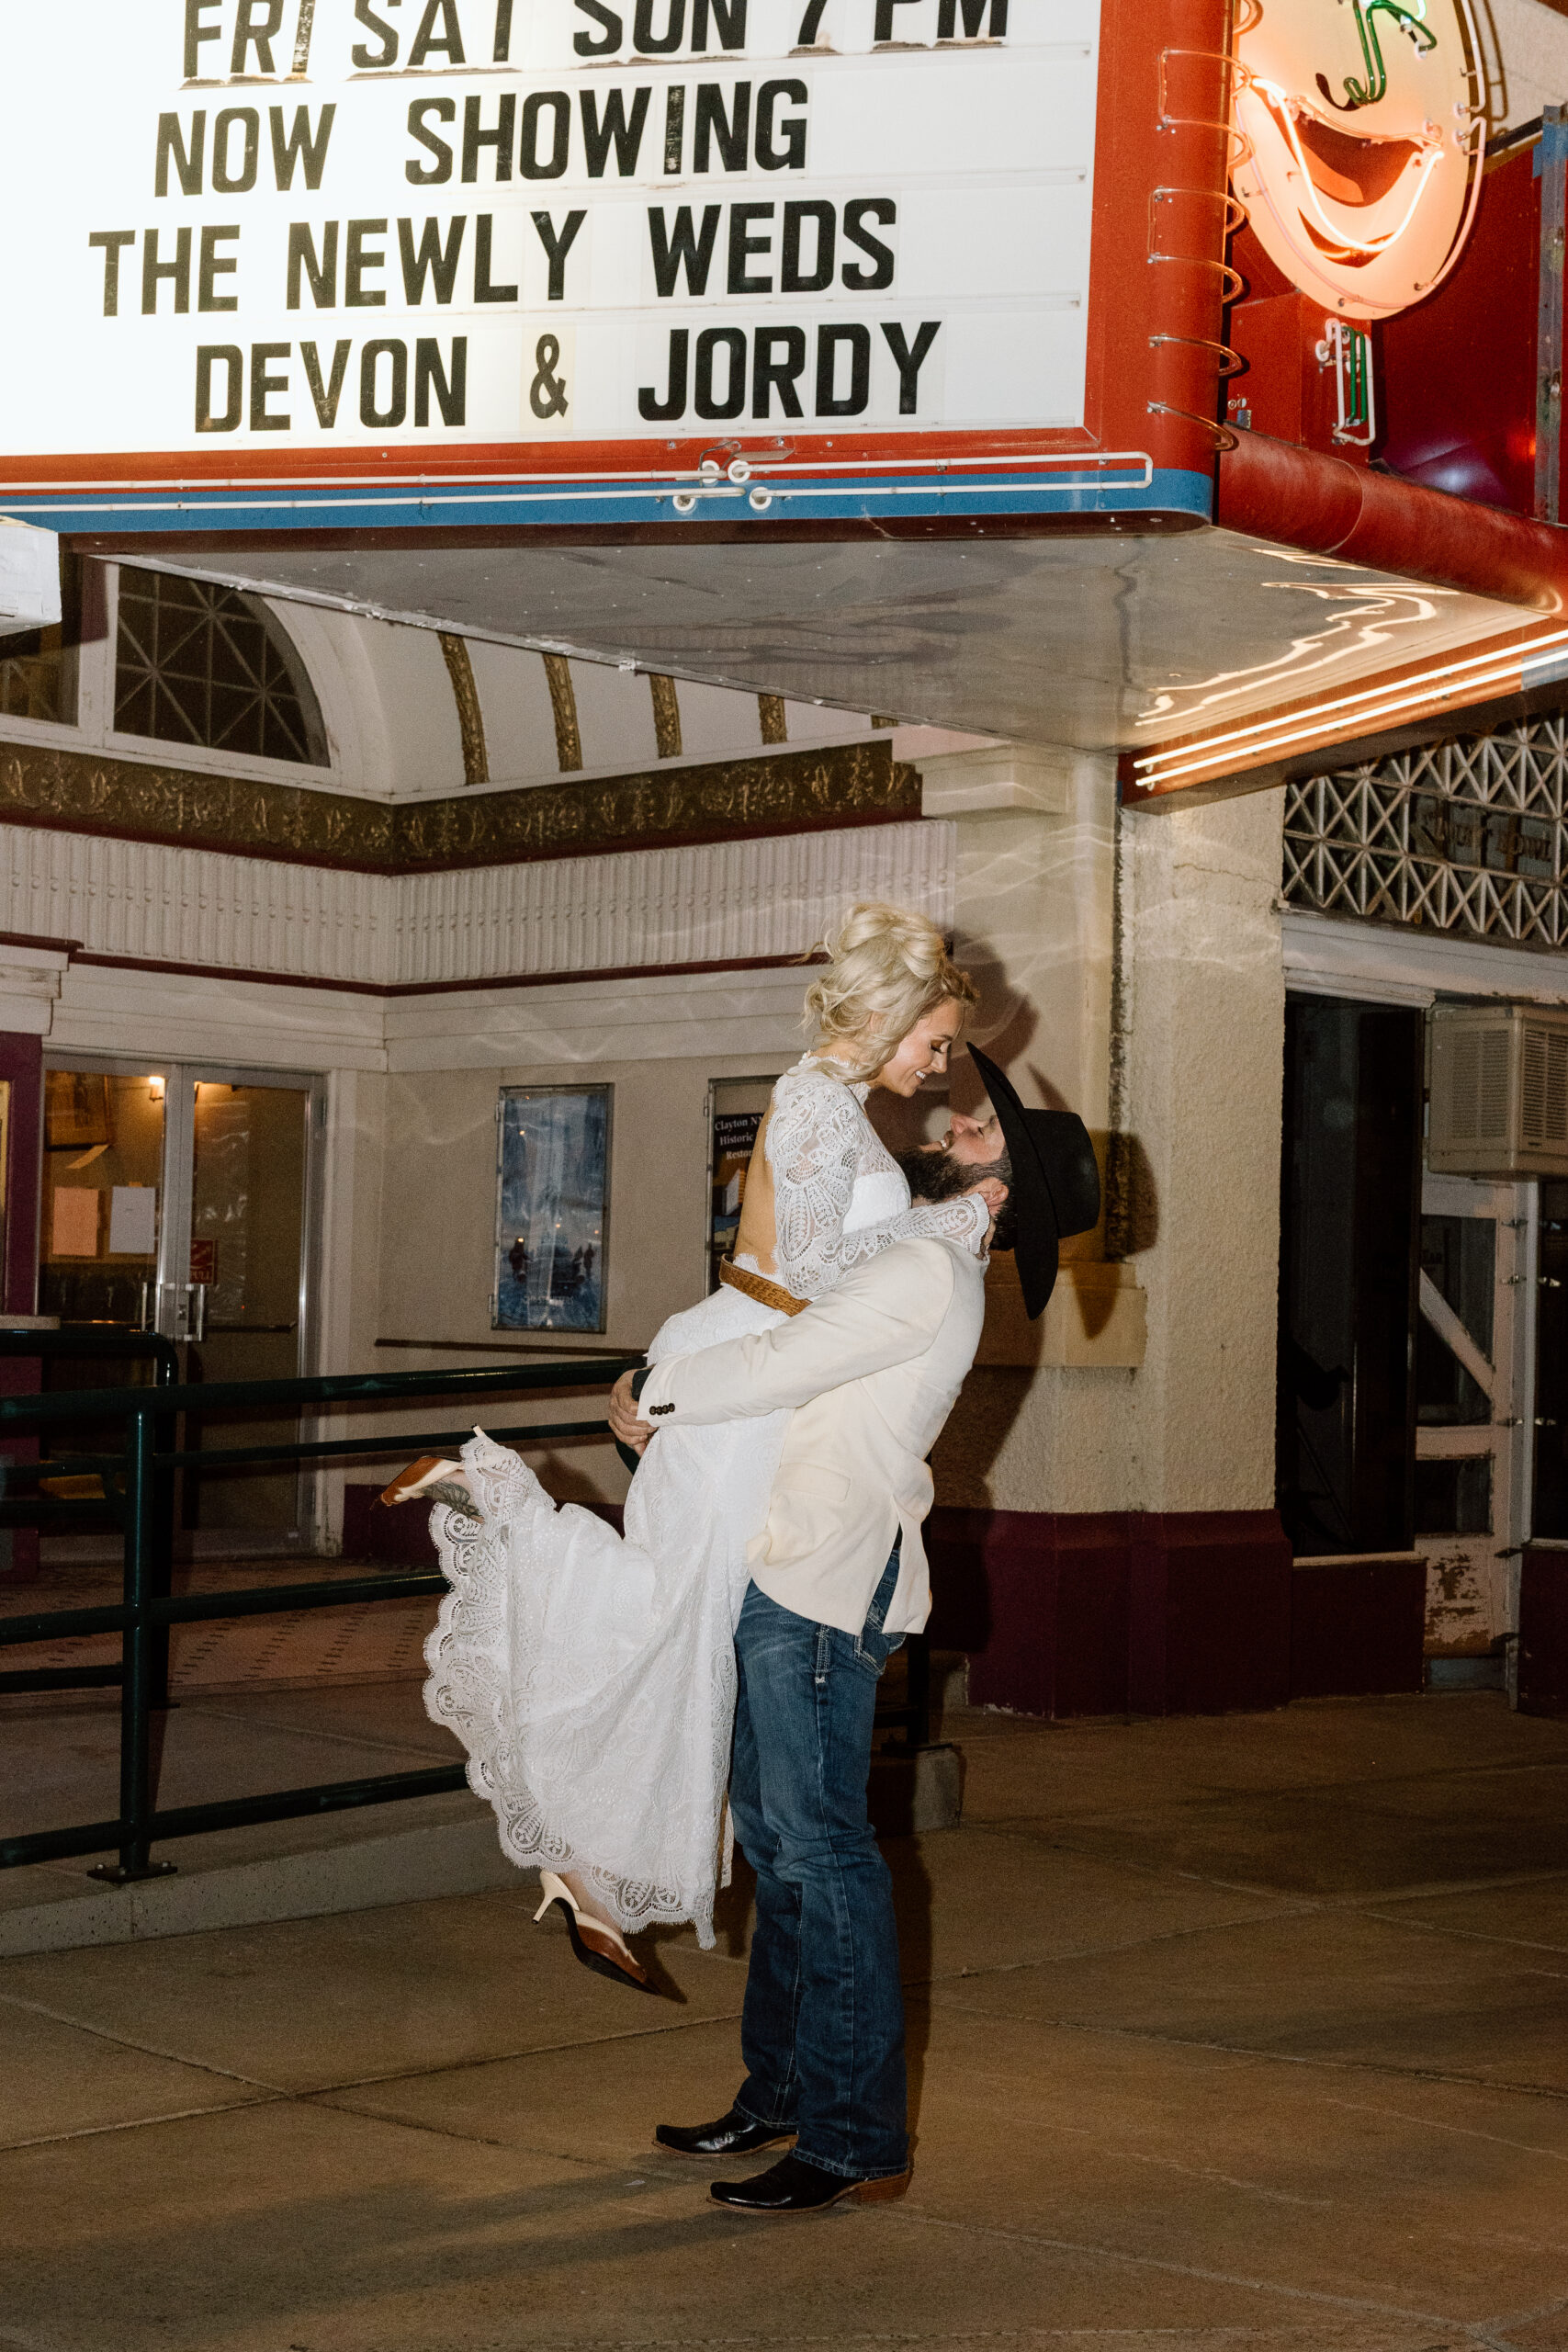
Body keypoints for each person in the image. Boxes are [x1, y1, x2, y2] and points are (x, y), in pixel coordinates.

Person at [412, 905, 1006, 1984]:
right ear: (887, 1012)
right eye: (936, 1039)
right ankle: (490, 1490)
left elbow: (846, 1263)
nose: (942, 1063)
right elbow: (830, 1276)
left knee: (683, 1624)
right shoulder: (818, 1100)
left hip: (749, 1359)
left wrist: (957, 1211)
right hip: (747, 1363)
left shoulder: (834, 1104)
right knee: (670, 1612)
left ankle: (591, 1874)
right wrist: (955, 1221)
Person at [609, 1045, 1099, 2213]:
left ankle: (854, 2133)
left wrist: (655, 1392)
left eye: (973, 1137)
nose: (945, 1131)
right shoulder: (912, 1259)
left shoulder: (930, 1270)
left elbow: (791, 1357)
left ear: (997, 1194)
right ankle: (779, 2089)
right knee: (784, 1850)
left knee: (823, 1855)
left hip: (823, 1585)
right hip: (791, 1566)